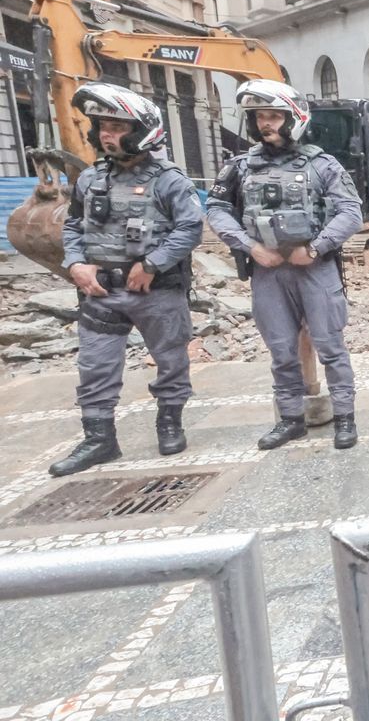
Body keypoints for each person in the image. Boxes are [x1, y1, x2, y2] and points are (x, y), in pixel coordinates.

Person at [50, 83, 203, 477]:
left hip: (157, 292)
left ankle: (169, 421)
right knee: (95, 366)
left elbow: (189, 229)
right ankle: (99, 439)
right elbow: (72, 227)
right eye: (101, 124)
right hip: (101, 291)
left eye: (116, 125)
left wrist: (152, 263)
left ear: (141, 130)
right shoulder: (89, 179)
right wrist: (75, 264)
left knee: (170, 359)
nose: (106, 133)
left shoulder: (169, 180)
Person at [207, 79, 363, 450]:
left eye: (275, 116)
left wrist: (315, 248)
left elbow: (350, 212)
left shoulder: (322, 165)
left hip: (315, 269)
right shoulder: (239, 168)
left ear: (293, 118)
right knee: (280, 348)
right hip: (268, 272)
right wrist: (249, 246)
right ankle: (291, 419)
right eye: (261, 116)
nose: (267, 124)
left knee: (330, 345)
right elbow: (215, 210)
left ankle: (345, 417)